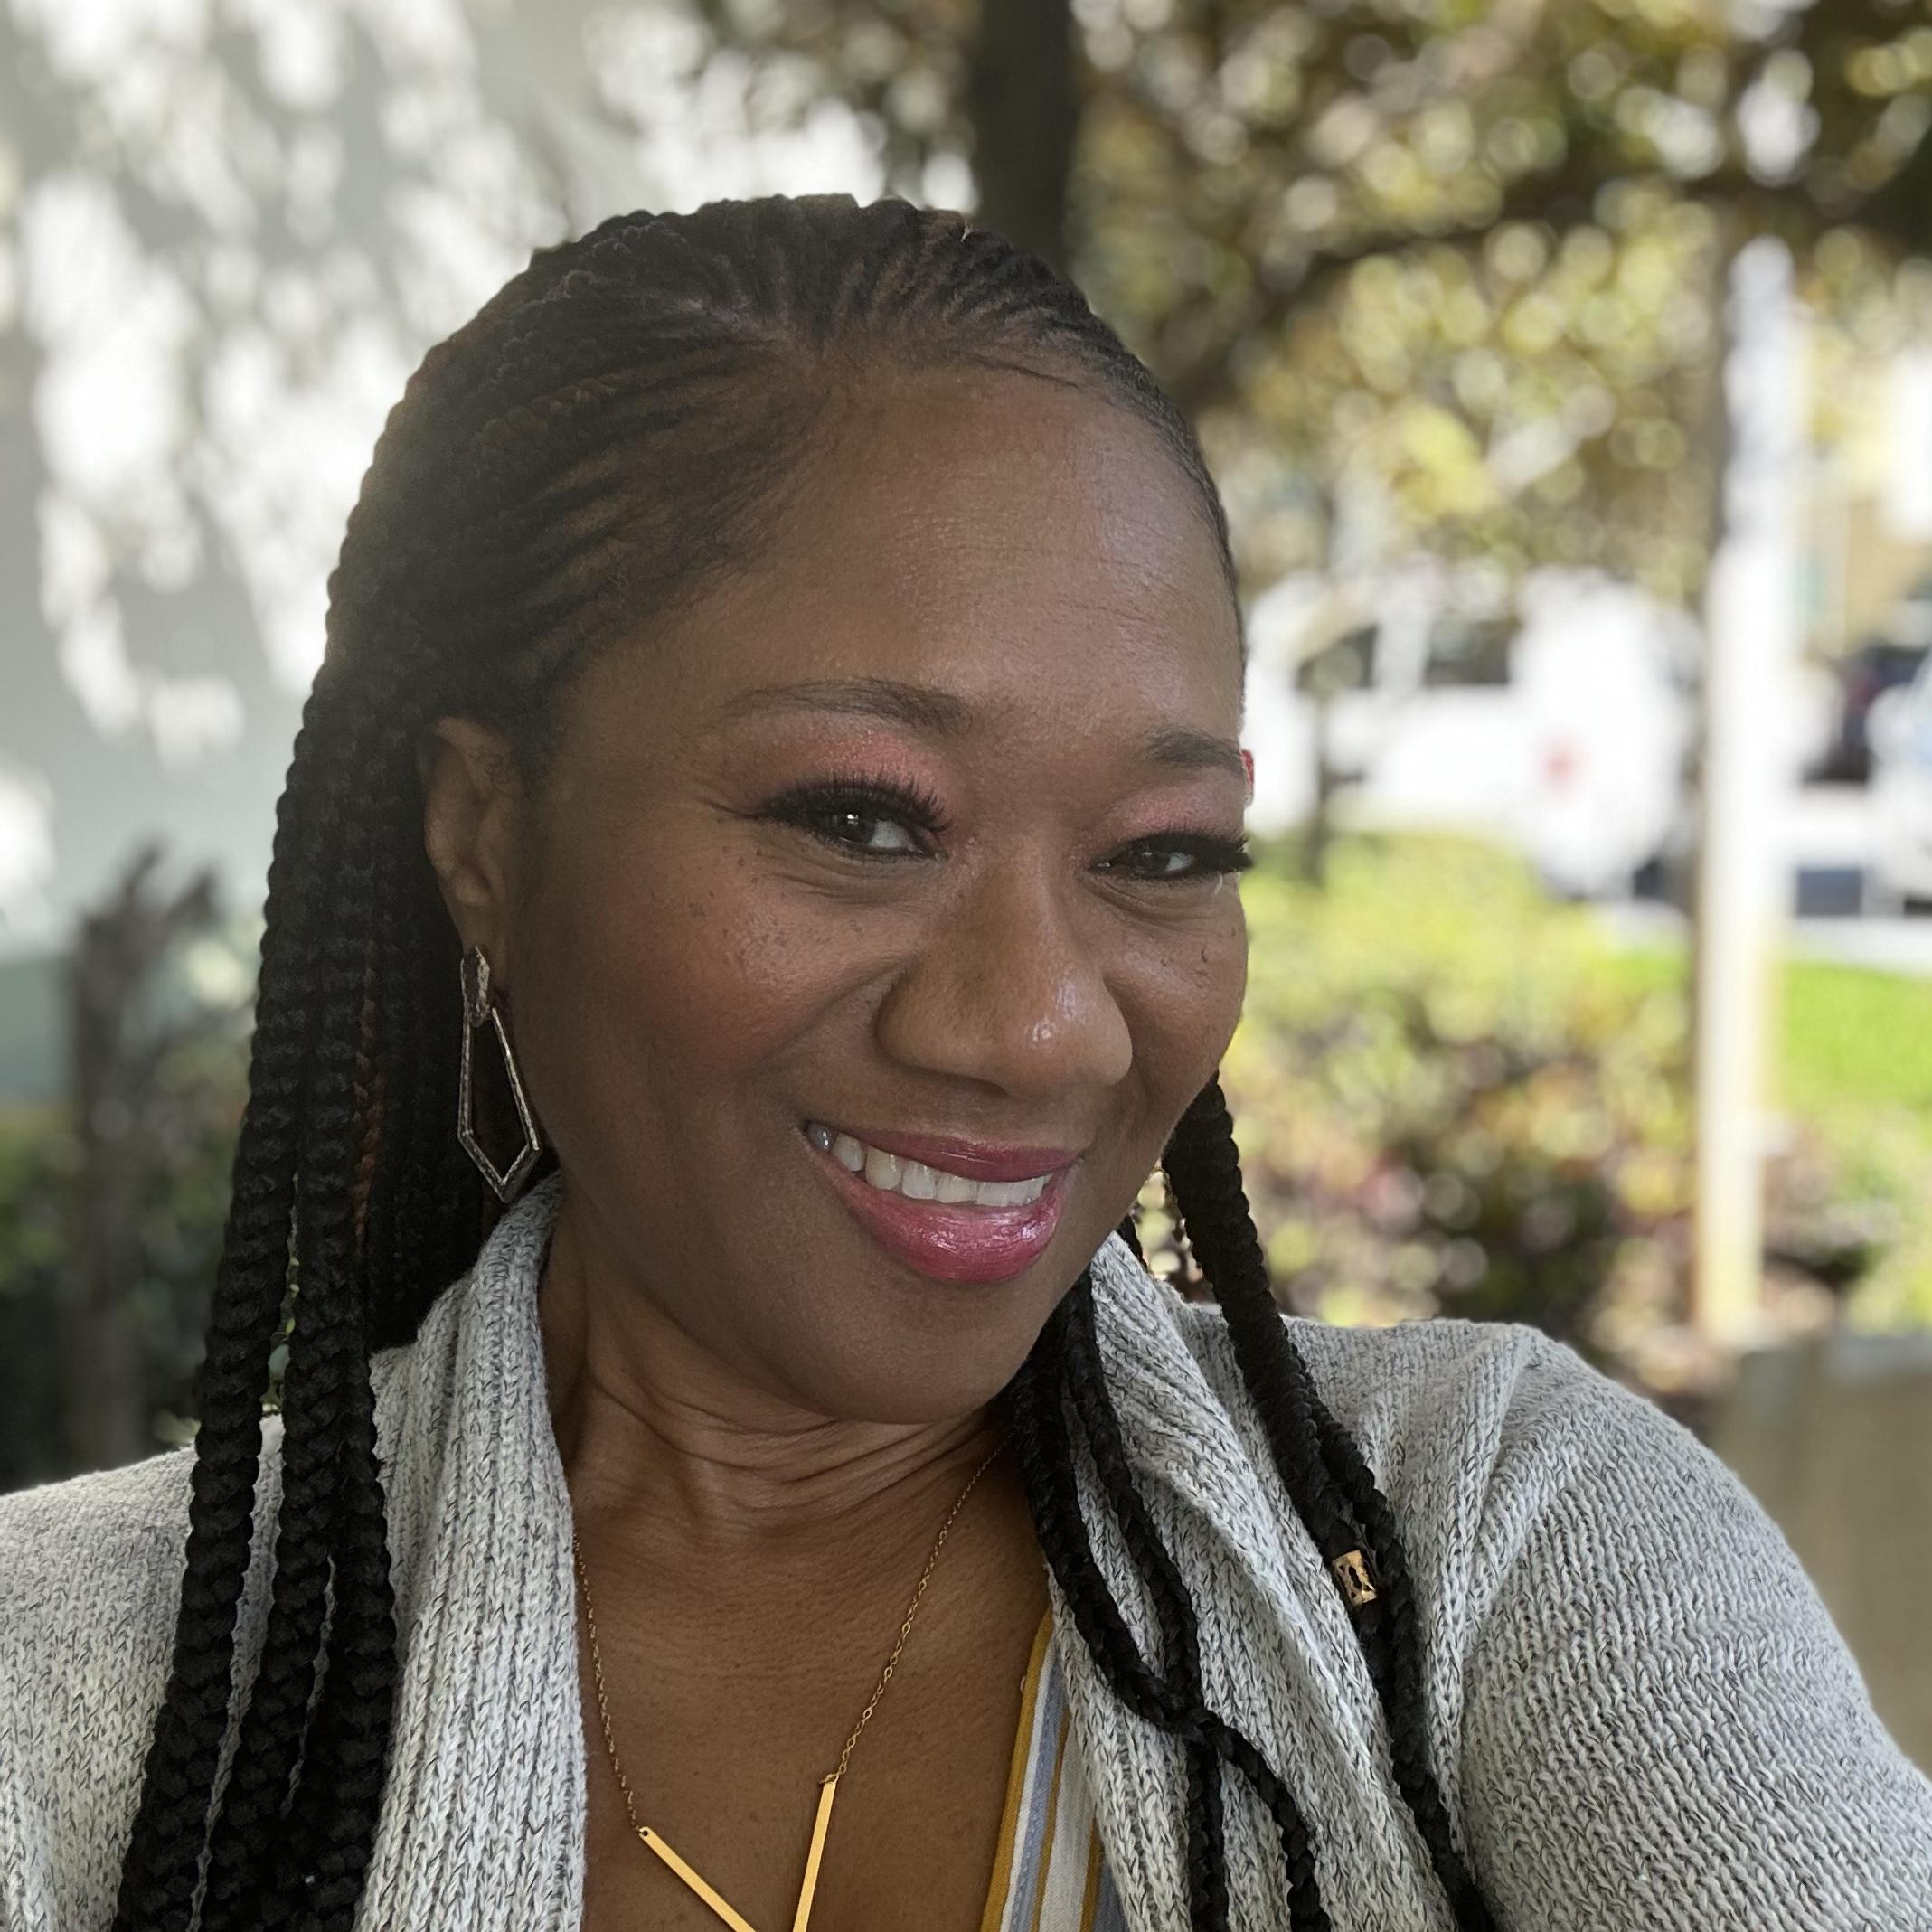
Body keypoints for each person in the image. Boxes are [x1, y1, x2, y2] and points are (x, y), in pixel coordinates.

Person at [3, 194, 1929, 1932]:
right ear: (485, 835)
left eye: (1161, 852)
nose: (1041, 1027)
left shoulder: (1491, 1539)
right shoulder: (74, 1689)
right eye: (860, 818)